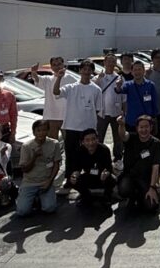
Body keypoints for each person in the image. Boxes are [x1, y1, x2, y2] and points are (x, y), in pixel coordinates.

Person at [54, 60, 103, 193]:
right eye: (84, 69)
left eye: (89, 69)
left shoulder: (96, 89)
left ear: (92, 72)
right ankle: (70, 179)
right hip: (71, 127)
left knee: (89, 155)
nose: (86, 72)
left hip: (88, 129)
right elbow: (56, 92)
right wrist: (59, 77)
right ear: (80, 71)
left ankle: (89, 179)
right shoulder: (71, 87)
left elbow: (97, 109)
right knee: (71, 155)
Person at [116, 114, 160, 212]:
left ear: (151, 127)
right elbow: (122, 135)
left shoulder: (156, 143)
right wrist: (121, 124)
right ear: (137, 128)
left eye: (146, 127)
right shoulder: (131, 138)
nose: (144, 130)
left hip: (145, 179)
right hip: (130, 176)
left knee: (152, 206)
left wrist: (152, 187)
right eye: (141, 127)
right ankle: (132, 197)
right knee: (124, 190)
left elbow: (156, 167)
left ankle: (141, 198)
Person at [16, 120, 61, 217]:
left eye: (44, 130)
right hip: (30, 182)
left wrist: (49, 181)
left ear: (48, 131)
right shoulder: (26, 146)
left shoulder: (54, 143)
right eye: (38, 131)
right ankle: (30, 198)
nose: (41, 133)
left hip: (46, 181)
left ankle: (42, 198)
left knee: (50, 208)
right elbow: (24, 169)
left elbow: (56, 164)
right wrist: (34, 157)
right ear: (34, 132)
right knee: (22, 211)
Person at [30, 56, 75, 141]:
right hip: (51, 116)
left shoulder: (71, 79)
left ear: (63, 65)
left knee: (68, 142)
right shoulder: (48, 79)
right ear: (51, 67)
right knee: (52, 143)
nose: (57, 67)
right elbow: (36, 78)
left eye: (59, 64)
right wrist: (33, 71)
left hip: (66, 116)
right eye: (54, 65)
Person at [69, 128, 116, 207]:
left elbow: (109, 168)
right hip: (89, 176)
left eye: (93, 139)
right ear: (82, 142)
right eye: (87, 140)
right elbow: (77, 169)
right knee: (72, 180)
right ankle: (86, 196)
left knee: (112, 179)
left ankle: (107, 196)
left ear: (97, 139)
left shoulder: (104, 150)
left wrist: (106, 174)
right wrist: (74, 176)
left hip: (102, 177)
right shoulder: (79, 151)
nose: (91, 143)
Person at [95, 53, 126, 169]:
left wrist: (124, 112)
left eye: (113, 61)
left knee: (118, 138)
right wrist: (99, 79)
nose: (111, 64)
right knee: (99, 137)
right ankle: (98, 158)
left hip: (116, 113)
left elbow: (124, 98)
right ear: (104, 62)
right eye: (109, 61)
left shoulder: (120, 78)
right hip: (102, 113)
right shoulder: (98, 77)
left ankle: (118, 158)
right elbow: (93, 92)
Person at [116, 61, 158, 131]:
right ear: (131, 72)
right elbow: (119, 90)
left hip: (146, 123)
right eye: (135, 70)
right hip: (132, 122)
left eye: (139, 69)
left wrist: (154, 117)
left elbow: (154, 103)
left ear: (144, 71)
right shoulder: (128, 85)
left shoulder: (150, 85)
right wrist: (118, 86)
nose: (137, 72)